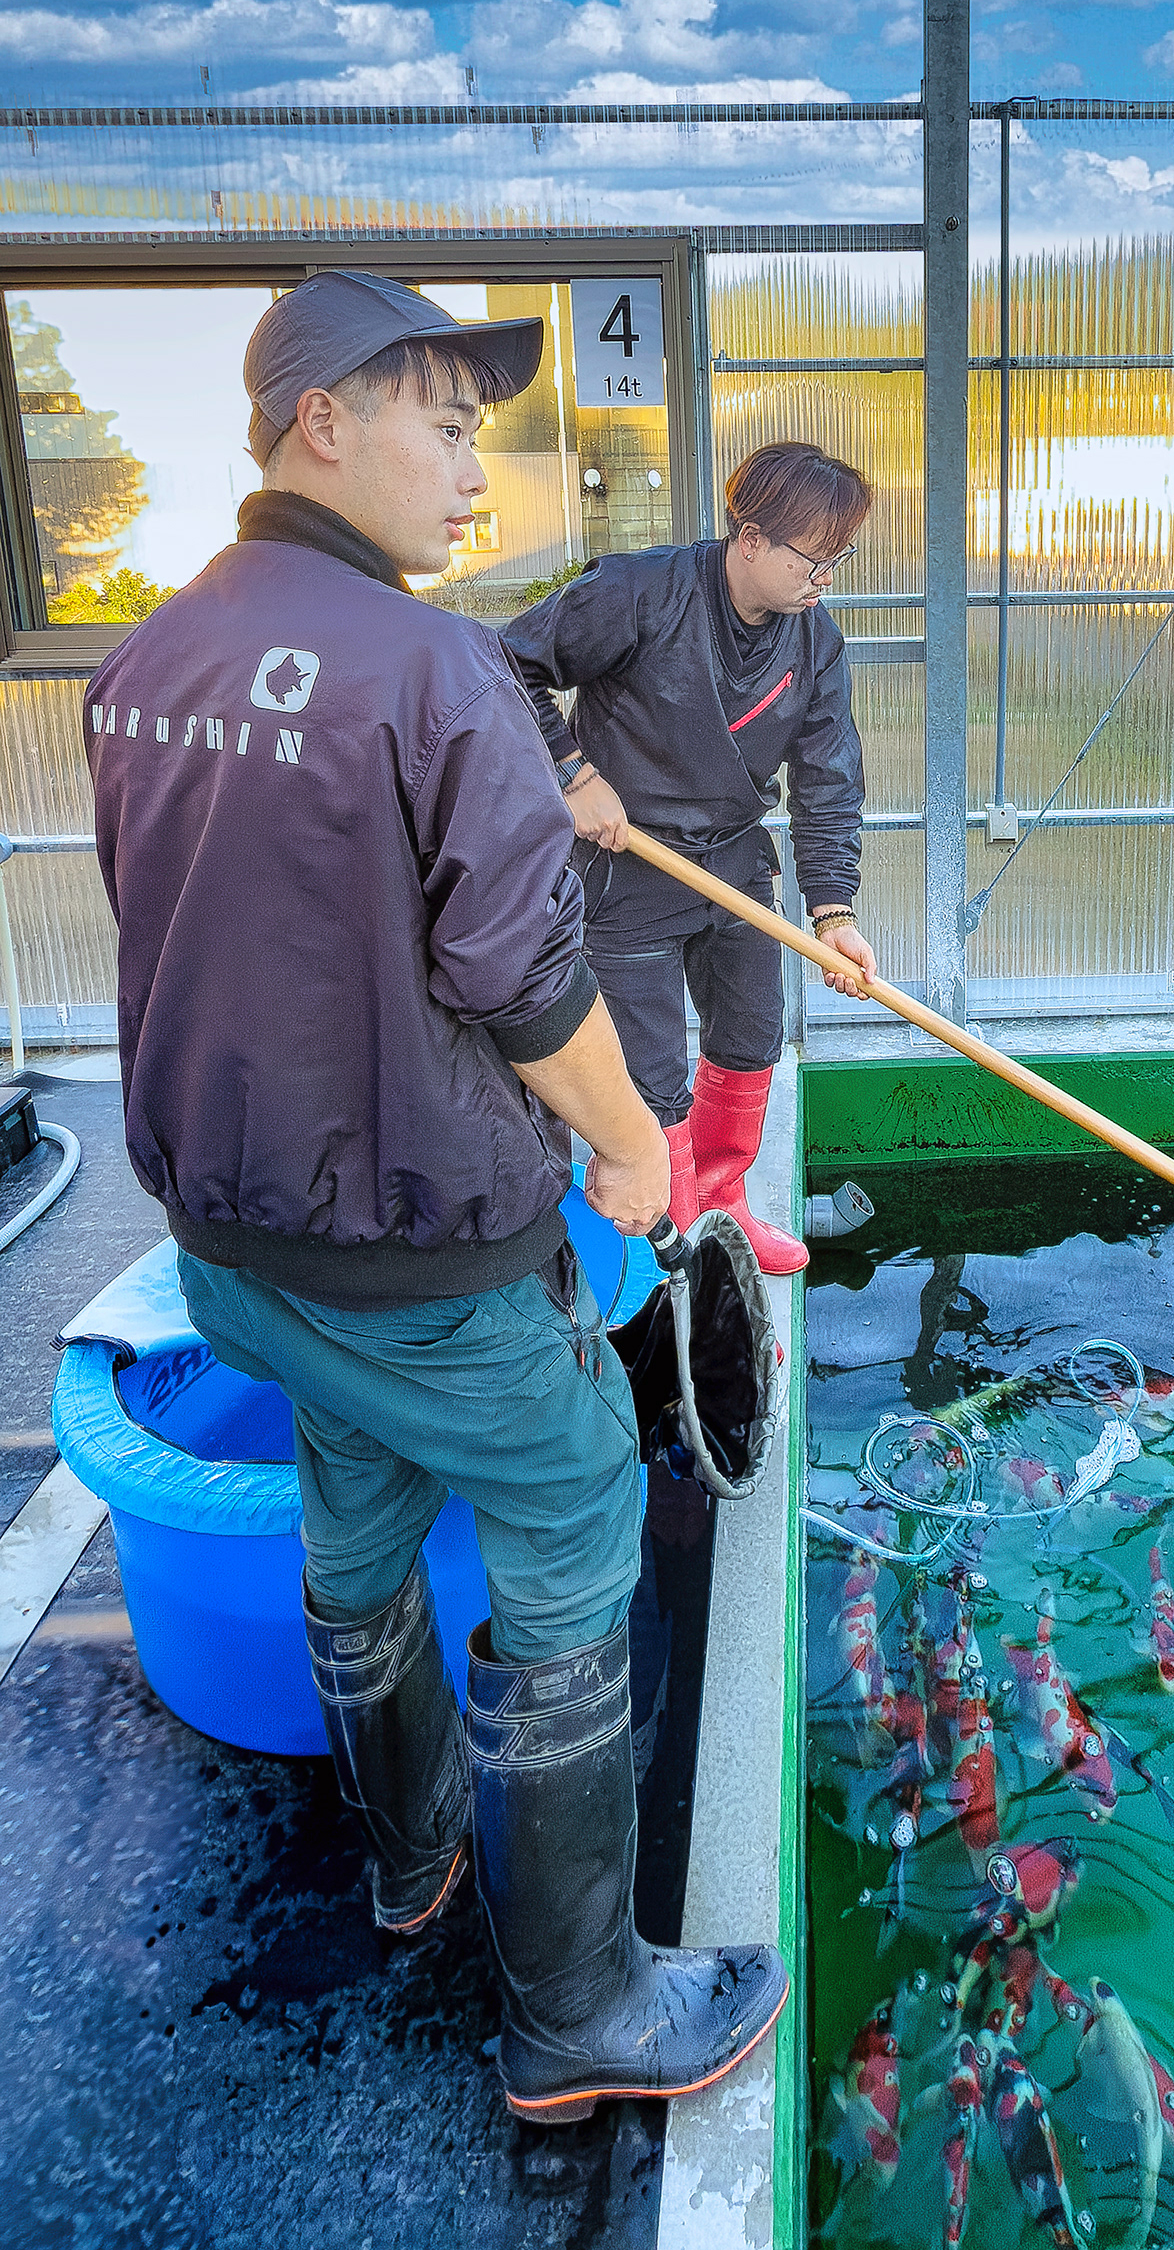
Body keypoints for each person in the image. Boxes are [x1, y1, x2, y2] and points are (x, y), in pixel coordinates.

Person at [85, 269, 785, 2125]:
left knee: (357, 1490)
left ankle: (408, 1859)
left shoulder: (147, 662)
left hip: (228, 1249)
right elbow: (522, 980)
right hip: (424, 1252)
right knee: (568, 1507)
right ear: (324, 417)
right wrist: (635, 1144)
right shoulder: (434, 667)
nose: (476, 463)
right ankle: (578, 2008)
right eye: (447, 420)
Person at [502, 439, 877, 1274]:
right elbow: (505, 664)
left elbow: (827, 779)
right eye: (816, 561)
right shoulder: (638, 592)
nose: (826, 583)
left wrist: (835, 912)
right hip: (629, 862)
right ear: (750, 539)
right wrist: (572, 771)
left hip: (734, 861)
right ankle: (666, 1259)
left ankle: (725, 1205)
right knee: (650, 1074)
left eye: (836, 562)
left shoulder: (813, 641)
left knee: (752, 1033)